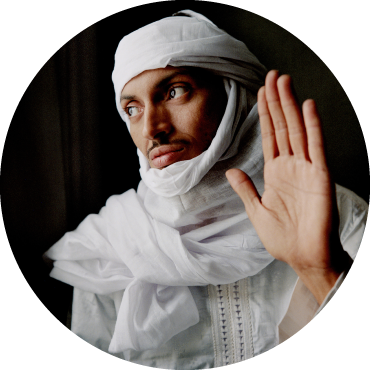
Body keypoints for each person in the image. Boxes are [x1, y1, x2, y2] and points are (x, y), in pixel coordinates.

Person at [43, 9, 368, 368]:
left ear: (233, 94)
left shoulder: (339, 217)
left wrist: (320, 271)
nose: (152, 128)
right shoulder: (108, 249)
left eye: (175, 91)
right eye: (132, 109)